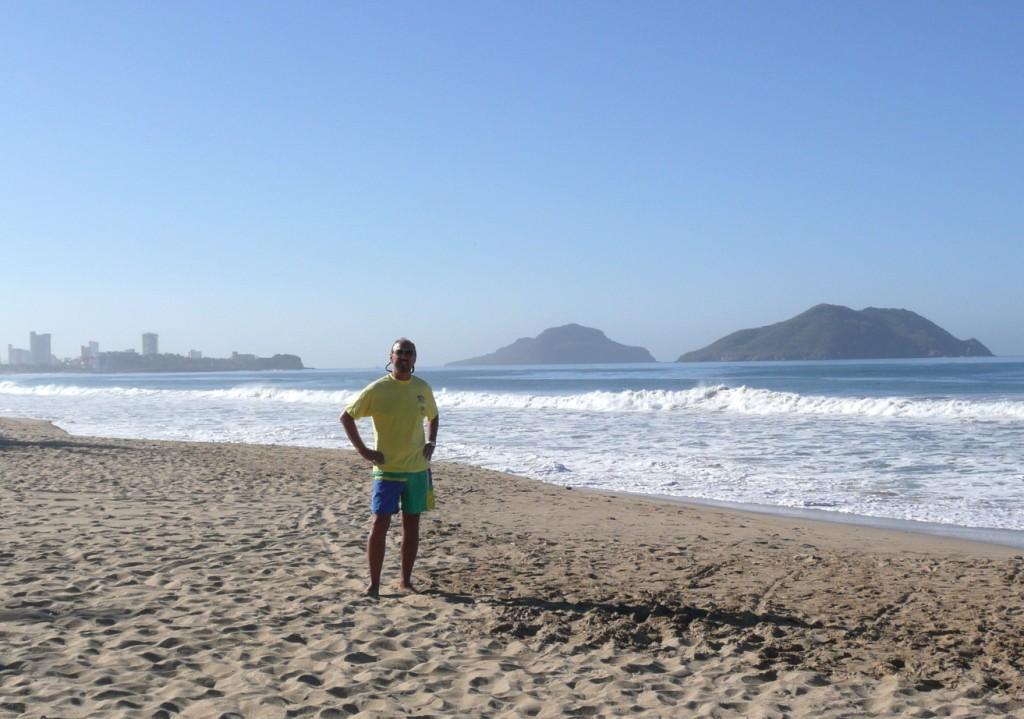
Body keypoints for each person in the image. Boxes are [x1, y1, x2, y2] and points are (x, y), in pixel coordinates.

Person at [340, 338, 439, 598]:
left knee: (412, 525)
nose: (404, 357)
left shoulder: (422, 388)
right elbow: (347, 417)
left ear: (415, 358)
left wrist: (431, 440)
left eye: (409, 353)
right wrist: (363, 451)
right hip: (387, 470)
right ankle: (374, 585)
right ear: (391, 356)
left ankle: (405, 581)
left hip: (417, 469)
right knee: (379, 525)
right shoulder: (377, 389)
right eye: (399, 352)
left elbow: (434, 416)